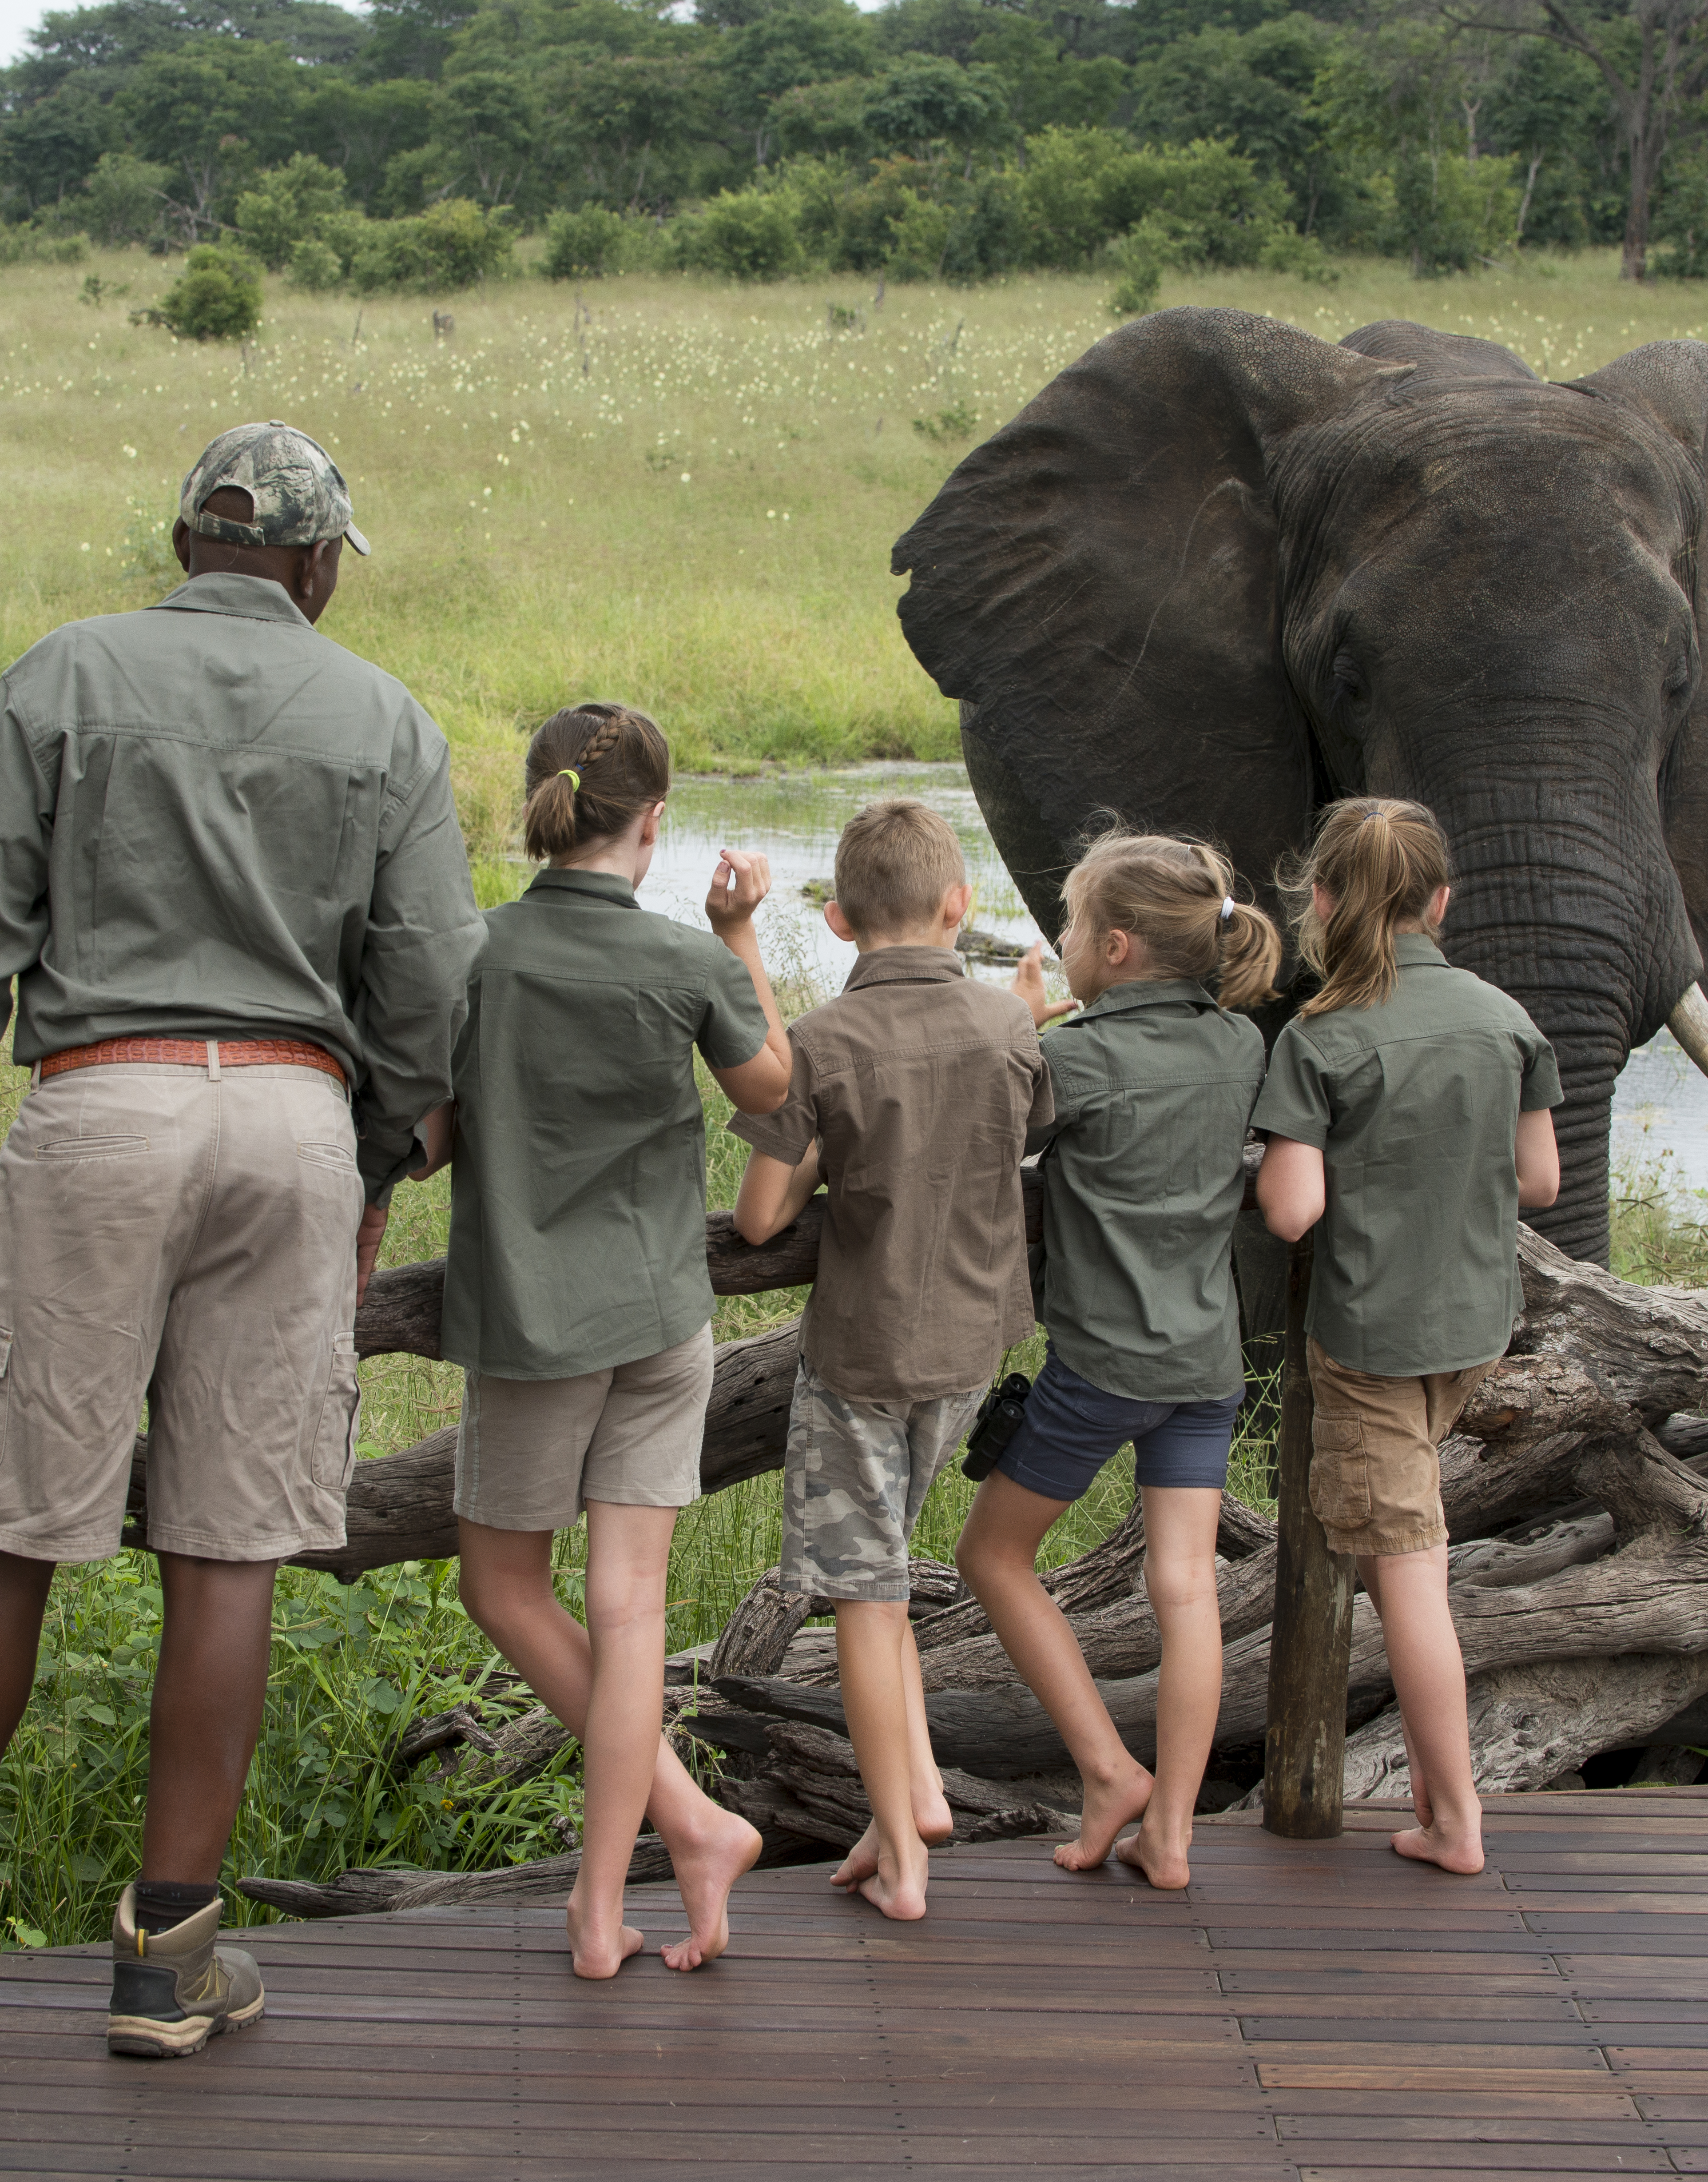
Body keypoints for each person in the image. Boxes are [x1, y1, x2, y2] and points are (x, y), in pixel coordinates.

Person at [0, 422, 483, 2057]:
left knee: (14, 1518)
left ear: (185, 543)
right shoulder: (391, 721)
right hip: (294, 1125)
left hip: (101, 1107)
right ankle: (171, 1956)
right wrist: (365, 1171)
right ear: (310, 564)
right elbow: (431, 986)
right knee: (228, 1545)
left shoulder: (62, 674)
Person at [415, 702, 784, 1978]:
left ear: (540, 806)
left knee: (504, 1586)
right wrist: (740, 934)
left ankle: (666, 1843)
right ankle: (638, 1867)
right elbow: (775, 1090)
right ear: (655, 824)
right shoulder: (687, 964)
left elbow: (435, 1134)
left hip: (535, 1326)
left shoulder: (478, 953)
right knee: (632, 1612)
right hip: (662, 1316)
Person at [730, 797, 1052, 1922]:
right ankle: (904, 1804)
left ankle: (907, 1863)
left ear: (834, 919)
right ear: (958, 906)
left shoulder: (822, 1040)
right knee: (891, 1569)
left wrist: (824, 1142)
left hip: (864, 1352)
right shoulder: (1010, 1028)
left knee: (863, 1594)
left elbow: (763, 1215)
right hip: (971, 1346)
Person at [952, 833, 1278, 1892]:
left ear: (1121, 947)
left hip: (1099, 1370)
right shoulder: (1238, 1045)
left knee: (992, 1560)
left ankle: (1104, 1768)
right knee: (1184, 1586)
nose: (1064, 941)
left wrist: (1025, 1020)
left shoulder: (1076, 1056)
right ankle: (1173, 1831)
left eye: (1076, 927)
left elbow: (990, 1126)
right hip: (1205, 1364)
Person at [1251, 798, 1561, 1877]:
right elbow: (1539, 1180)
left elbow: (1290, 1211)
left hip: (1372, 1342)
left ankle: (1457, 1819)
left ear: (1321, 901)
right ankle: (1438, 1797)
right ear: (1440, 899)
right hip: (1472, 1327)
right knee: (1402, 1560)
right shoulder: (1505, 1018)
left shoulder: (1318, 1036)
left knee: (1411, 1580)